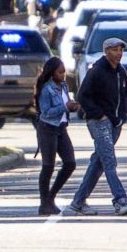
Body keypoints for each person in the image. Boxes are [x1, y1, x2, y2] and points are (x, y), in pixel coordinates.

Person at [65, 37, 127, 216]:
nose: (118, 53)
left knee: (99, 161)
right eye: (114, 50)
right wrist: (99, 114)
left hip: (115, 122)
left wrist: (121, 117)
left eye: (121, 50)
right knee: (109, 160)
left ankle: (77, 203)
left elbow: (125, 96)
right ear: (106, 51)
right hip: (99, 121)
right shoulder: (96, 70)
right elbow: (83, 96)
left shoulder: (121, 72)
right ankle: (120, 201)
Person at [34, 57, 78, 215]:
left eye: (64, 72)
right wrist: (64, 106)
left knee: (70, 163)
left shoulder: (64, 86)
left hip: (61, 128)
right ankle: (44, 203)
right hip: (47, 129)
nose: (63, 75)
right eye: (60, 72)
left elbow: (65, 106)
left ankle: (51, 197)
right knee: (48, 166)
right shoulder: (47, 89)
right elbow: (46, 112)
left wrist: (72, 107)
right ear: (52, 73)